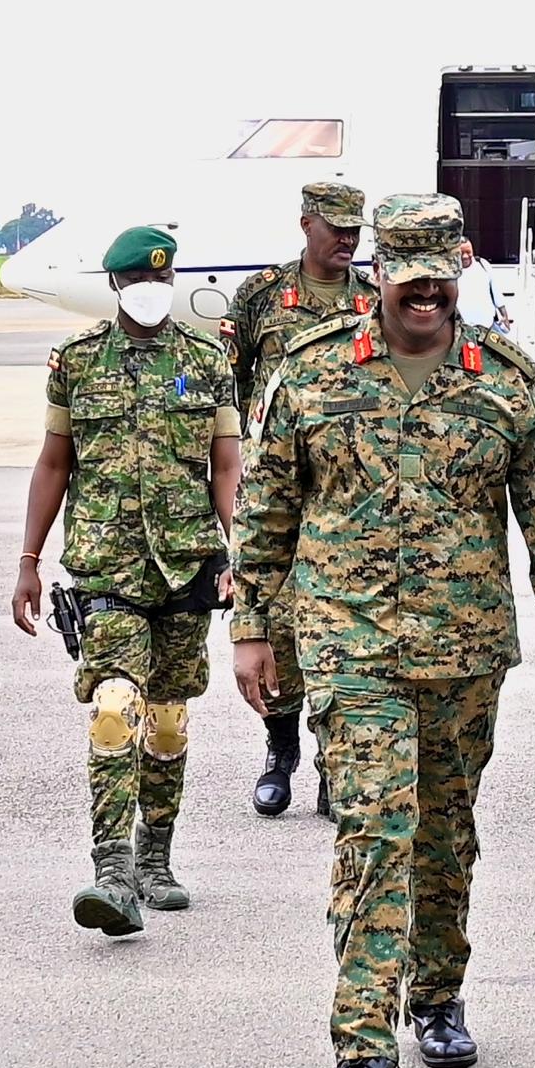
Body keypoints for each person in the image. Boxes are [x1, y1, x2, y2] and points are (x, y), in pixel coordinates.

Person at [232, 192, 535, 1068]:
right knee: (374, 835)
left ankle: (438, 993)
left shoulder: (505, 378)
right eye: (406, 277)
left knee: (444, 835)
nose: (424, 293)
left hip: (464, 649)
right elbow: (268, 511)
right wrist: (250, 626)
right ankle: (363, 1055)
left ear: (460, 266)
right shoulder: (313, 376)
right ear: (380, 276)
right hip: (349, 648)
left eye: (439, 276)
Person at [14, 226, 242, 936]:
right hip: (104, 561)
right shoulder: (78, 361)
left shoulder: (205, 359)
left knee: (168, 720)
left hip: (186, 563)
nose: (151, 292)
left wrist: (242, 556)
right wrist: (28, 559)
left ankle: (155, 858)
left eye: (161, 281)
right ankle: (110, 871)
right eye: (139, 282)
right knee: (116, 708)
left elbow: (226, 464)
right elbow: (55, 462)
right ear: (115, 286)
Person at [223, 182, 376, 818]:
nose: (346, 240)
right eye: (335, 227)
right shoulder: (261, 297)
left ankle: (331, 765)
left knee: (347, 630)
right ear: (306, 224)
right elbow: (232, 395)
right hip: (279, 489)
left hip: (349, 492)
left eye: (355, 231)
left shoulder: (374, 300)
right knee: (278, 628)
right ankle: (280, 748)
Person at [456, 238, 510, 331]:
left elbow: (496, 293)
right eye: (461, 253)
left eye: (468, 252)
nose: (465, 256)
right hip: (462, 329)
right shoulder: (451, 271)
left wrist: (505, 316)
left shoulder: (483, 265)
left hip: (487, 325)